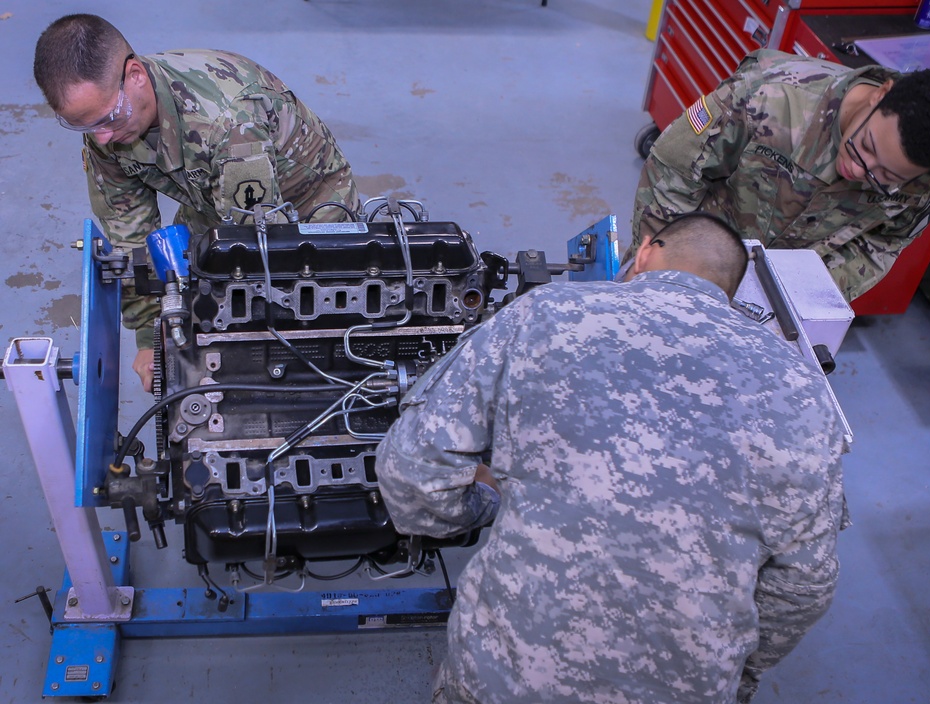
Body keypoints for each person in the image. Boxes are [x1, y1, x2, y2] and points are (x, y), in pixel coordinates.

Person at [375, 214, 848, 703]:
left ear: (644, 252)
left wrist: (486, 508)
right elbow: (803, 586)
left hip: (507, 678)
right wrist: (738, 674)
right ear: (728, 293)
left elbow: (409, 472)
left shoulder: (545, 312)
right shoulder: (803, 390)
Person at [33, 14, 360, 391]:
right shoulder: (107, 127)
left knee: (303, 330)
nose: (103, 137)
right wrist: (150, 335)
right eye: (86, 126)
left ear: (135, 75)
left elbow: (253, 246)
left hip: (308, 203)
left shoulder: (228, 121)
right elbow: (130, 237)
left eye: (108, 117)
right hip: (211, 201)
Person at [627, 49, 930, 298]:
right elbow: (673, 169)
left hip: (771, 294)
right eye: (865, 146)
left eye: (885, 176)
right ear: (880, 94)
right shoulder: (774, 95)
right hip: (695, 252)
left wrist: (798, 296)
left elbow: (880, 246)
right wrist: (659, 265)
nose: (856, 169)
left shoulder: (923, 186)